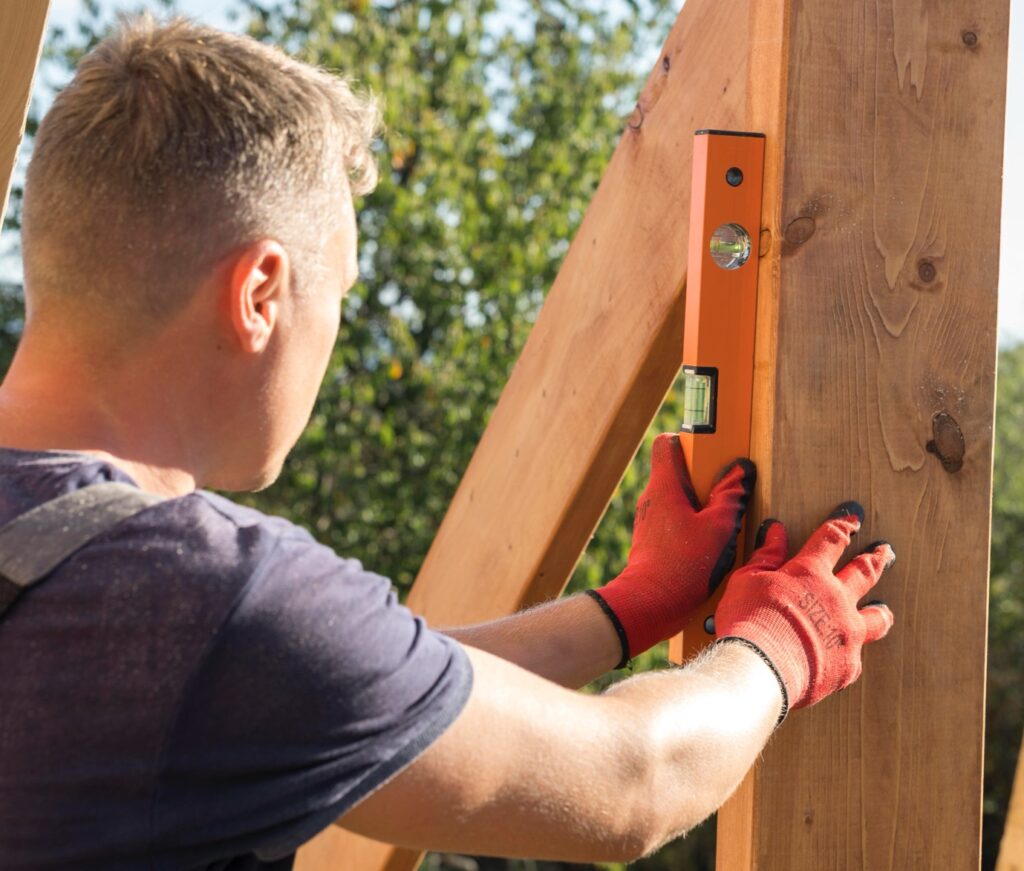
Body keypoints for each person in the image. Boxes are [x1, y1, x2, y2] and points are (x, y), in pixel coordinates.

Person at [0, 16, 895, 871]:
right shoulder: (208, 603)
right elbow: (635, 780)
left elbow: (355, 681)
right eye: (339, 293)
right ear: (261, 293)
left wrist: (629, 607)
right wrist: (786, 640)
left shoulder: (194, 629)